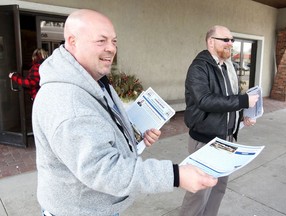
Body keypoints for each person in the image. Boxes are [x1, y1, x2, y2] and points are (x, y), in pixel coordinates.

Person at [32, 9, 217, 216]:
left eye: (114, 41)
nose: (111, 48)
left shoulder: (92, 80)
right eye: (101, 41)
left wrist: (134, 134)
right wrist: (176, 175)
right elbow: (104, 170)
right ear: (72, 41)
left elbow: (100, 127)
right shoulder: (68, 103)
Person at [179, 25, 259, 216]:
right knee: (199, 192)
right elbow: (204, 100)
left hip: (227, 139)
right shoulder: (199, 67)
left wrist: (243, 115)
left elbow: (229, 98)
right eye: (226, 39)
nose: (230, 43)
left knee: (219, 187)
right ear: (211, 42)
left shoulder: (227, 66)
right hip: (206, 140)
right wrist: (242, 101)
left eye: (232, 40)